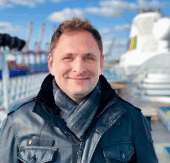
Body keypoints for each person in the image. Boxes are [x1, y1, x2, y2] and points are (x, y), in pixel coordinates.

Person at [0, 18, 158, 163]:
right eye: (68, 57)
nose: (79, 69)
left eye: (89, 58)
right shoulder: (17, 123)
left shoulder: (133, 119)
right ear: (51, 64)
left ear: (101, 64)